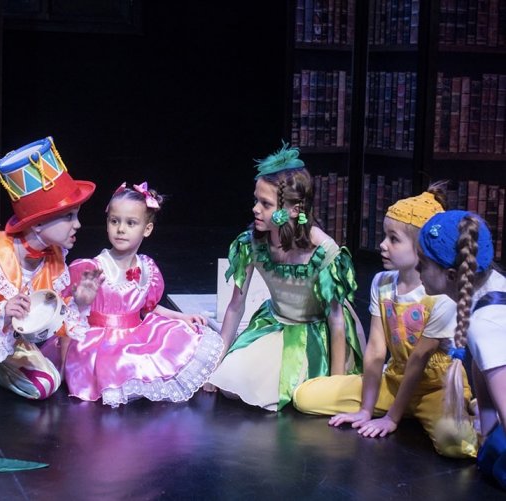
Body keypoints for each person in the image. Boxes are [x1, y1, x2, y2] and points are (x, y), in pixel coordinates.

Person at [293, 188, 478, 458]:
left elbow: (419, 361)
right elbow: (376, 350)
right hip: (394, 380)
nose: (382, 245)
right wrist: (366, 410)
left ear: (421, 249)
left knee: (458, 446)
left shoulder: (441, 296)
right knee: (305, 396)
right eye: (384, 236)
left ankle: (469, 411)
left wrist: (391, 418)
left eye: (394, 239)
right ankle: (402, 410)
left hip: (435, 389)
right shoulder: (382, 282)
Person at [0, 137, 102, 410]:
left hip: (9, 337)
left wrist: (79, 304)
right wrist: (2, 313)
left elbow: (48, 320)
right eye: (69, 216)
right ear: (38, 224)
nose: (78, 225)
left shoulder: (55, 257)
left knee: (47, 384)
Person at [206, 142, 364, 411]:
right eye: (256, 200)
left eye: (265, 204)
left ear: (294, 209)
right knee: (231, 385)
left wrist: (334, 388)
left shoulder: (323, 251)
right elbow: (235, 306)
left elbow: (336, 321)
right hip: (278, 322)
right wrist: (216, 365)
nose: (256, 209)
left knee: (297, 395)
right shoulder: (252, 243)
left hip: (317, 330)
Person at [63, 182, 224, 407]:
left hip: (134, 334)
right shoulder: (94, 268)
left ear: (146, 229)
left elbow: (148, 308)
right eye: (114, 221)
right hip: (100, 341)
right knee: (117, 360)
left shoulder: (147, 268)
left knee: (180, 337)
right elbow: (70, 311)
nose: (121, 229)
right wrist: (81, 301)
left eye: (131, 223)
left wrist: (181, 317)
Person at [417, 210, 506, 485]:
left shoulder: (484, 324)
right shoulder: (492, 284)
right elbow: (483, 371)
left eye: (423, 264)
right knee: (489, 457)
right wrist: (487, 436)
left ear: (452, 275)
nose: (417, 270)